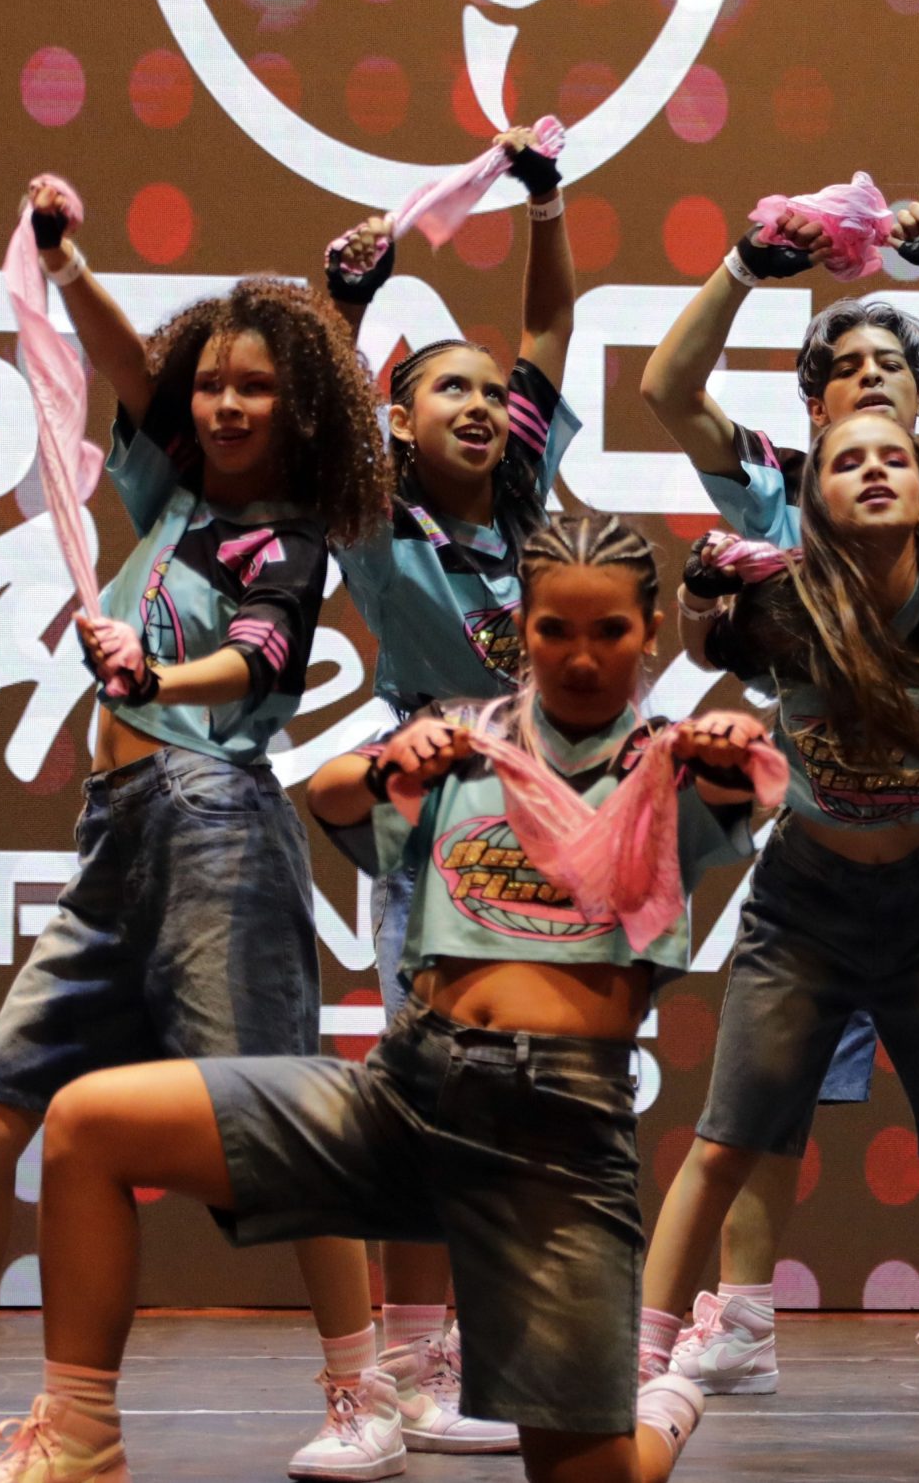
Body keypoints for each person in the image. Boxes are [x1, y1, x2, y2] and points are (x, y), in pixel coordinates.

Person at [0, 182, 401, 1480]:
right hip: (115, 843)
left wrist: (155, 677)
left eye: (254, 388)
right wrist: (68, 265)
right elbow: (132, 370)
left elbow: (262, 657)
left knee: (283, 1131)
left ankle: (367, 1393)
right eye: (211, 383)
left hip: (219, 833)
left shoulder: (285, 540)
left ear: (297, 410)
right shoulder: (170, 498)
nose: (224, 404)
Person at [0, 514, 765, 1483]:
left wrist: (728, 747)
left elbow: (748, 780)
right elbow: (333, 795)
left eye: (609, 632)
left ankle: (663, 1407)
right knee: (88, 1124)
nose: (582, 658)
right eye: (555, 630)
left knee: (592, 1476)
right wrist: (392, 763)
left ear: (650, 632)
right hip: (408, 1095)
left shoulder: (672, 765)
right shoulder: (468, 749)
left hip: (557, 1143)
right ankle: (81, 1436)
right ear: (523, 629)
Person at [637, 195, 919, 1399]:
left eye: (894, 366)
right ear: (813, 406)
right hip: (820, 835)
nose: (872, 382)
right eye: (846, 368)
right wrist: (743, 265)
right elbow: (670, 389)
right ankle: (741, 1318)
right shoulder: (782, 492)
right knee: (766, 1094)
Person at [299, 124, 580, 1456]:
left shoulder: (525, 514)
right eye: (445, 388)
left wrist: (545, 201)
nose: (478, 402)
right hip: (428, 811)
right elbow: (323, 413)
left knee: (517, 1087)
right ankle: (409, 1363)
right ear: (399, 422)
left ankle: (471, 1350)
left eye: (489, 390)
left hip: (543, 809)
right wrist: (345, 306)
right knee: (429, 1075)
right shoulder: (375, 518)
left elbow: (551, 327)